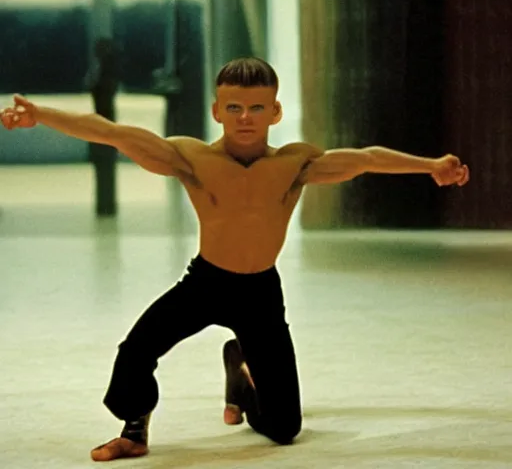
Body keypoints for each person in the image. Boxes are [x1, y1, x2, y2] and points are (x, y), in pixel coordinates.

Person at [0, 57, 470, 462]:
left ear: (275, 110)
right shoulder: (193, 159)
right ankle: (134, 431)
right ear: (217, 110)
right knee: (135, 351)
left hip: (261, 293)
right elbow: (111, 133)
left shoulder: (294, 163)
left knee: (285, 429)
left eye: (257, 107)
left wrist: (431, 166)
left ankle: (240, 378)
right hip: (206, 284)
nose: (246, 117)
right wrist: (40, 114)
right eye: (235, 107)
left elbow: (365, 158)